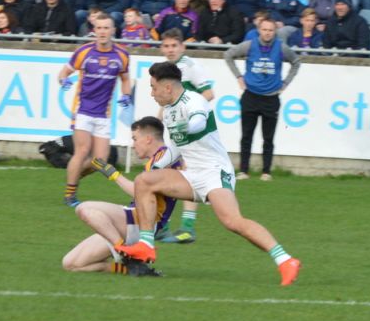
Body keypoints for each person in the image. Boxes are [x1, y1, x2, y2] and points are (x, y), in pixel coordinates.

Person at [95, 62, 301, 287]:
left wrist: (184, 126)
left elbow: (197, 123)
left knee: (233, 222)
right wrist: (155, 168)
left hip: (215, 172)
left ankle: (286, 260)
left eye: (154, 88)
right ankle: (146, 245)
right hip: (192, 174)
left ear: (167, 88)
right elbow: (174, 149)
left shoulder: (194, 100)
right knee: (144, 181)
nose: (151, 93)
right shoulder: (170, 110)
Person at [62, 115, 176, 277]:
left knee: (83, 209)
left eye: (135, 139)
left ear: (149, 139)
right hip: (130, 223)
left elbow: (142, 194)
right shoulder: (159, 159)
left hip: (140, 222)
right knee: (71, 264)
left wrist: (113, 174)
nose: (133, 144)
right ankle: (130, 267)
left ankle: (125, 253)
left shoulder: (163, 159)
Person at [57, 13, 132, 206]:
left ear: (113, 30)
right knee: (82, 151)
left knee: (101, 161)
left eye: (106, 28)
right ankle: (70, 195)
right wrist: (63, 81)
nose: (102, 32)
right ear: (94, 30)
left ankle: (74, 175)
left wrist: (126, 95)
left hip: (104, 114)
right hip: (82, 110)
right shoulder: (84, 52)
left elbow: (125, 78)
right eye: (99, 28)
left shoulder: (122, 55)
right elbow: (64, 72)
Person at [224, 17, 302, 182]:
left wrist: (285, 83)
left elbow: (296, 62)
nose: (267, 33)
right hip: (250, 96)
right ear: (259, 30)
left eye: (270, 30)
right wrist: (238, 76)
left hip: (271, 98)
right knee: (246, 136)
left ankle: (266, 172)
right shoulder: (250, 45)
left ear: (275, 31)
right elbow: (228, 55)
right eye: (264, 29)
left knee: (268, 138)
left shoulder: (281, 47)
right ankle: (243, 170)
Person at [156, 28, 215, 244]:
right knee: (164, 174)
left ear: (183, 46)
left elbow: (209, 94)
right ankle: (161, 225)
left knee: (188, 174)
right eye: (167, 46)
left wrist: (189, 116)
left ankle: (187, 227)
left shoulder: (191, 67)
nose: (170, 49)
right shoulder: (165, 70)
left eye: (174, 45)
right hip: (173, 130)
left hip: (189, 133)